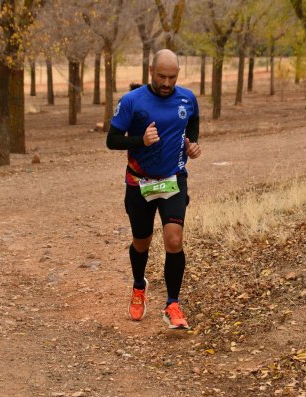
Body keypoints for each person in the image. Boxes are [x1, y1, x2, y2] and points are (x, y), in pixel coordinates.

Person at [106, 49, 201, 330]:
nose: (167, 83)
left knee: (174, 241)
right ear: (150, 71)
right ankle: (138, 287)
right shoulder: (132, 101)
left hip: (173, 179)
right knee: (141, 242)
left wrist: (191, 143)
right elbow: (112, 140)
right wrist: (140, 141)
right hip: (139, 182)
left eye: (172, 77)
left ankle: (173, 304)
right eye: (162, 76)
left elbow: (192, 122)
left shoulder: (187, 98)